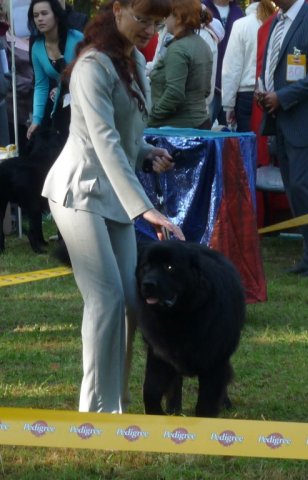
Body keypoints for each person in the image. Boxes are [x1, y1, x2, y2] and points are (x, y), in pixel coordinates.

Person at [41, 0, 185, 414]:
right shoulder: (91, 67)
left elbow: (125, 137)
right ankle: (94, 413)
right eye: (143, 19)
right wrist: (145, 210)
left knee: (132, 303)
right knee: (105, 299)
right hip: (79, 191)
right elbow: (101, 142)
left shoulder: (136, 61)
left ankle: (117, 404)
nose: (150, 29)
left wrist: (146, 151)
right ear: (117, 10)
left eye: (157, 22)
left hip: (115, 195)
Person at [257, 0, 308, 279]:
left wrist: (284, 96)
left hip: (305, 120)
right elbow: (274, 64)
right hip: (281, 118)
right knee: (295, 189)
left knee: (302, 187)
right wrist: (263, 89)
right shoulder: (277, 22)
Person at [148, 0, 213, 128]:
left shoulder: (178, 49)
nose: (165, 21)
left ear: (178, 18)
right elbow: (206, 91)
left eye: (167, 16)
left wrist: (151, 118)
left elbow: (174, 93)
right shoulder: (203, 44)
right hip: (200, 122)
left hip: (177, 129)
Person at [26, 0, 83, 139]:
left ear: (56, 16)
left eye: (44, 13)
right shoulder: (37, 48)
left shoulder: (77, 38)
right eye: (36, 15)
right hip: (61, 107)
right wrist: (36, 120)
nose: (39, 18)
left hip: (85, 103)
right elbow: (41, 85)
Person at [221, 0, 275, 132]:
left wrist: (228, 105)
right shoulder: (277, 23)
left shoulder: (241, 25)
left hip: (246, 95)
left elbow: (232, 68)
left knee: (247, 146)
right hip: (272, 94)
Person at [202, 0, 244, 125]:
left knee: (227, 137)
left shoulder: (238, 12)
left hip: (231, 86)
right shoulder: (202, 9)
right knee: (204, 131)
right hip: (208, 86)